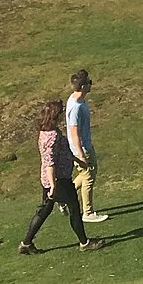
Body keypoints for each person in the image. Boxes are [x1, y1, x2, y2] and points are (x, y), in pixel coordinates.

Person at [19, 99, 104, 253]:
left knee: (45, 209)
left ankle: (26, 244)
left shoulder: (47, 132)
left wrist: (78, 161)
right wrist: (53, 185)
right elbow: (50, 163)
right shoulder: (51, 137)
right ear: (54, 116)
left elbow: (63, 152)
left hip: (50, 180)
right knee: (74, 208)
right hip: (59, 181)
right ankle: (85, 243)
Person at [65, 69, 107, 223]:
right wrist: (81, 154)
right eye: (89, 82)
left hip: (82, 146)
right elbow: (74, 132)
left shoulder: (75, 99)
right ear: (82, 87)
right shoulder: (76, 107)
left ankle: (63, 199)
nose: (91, 84)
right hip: (82, 148)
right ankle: (88, 212)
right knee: (89, 177)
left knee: (85, 175)